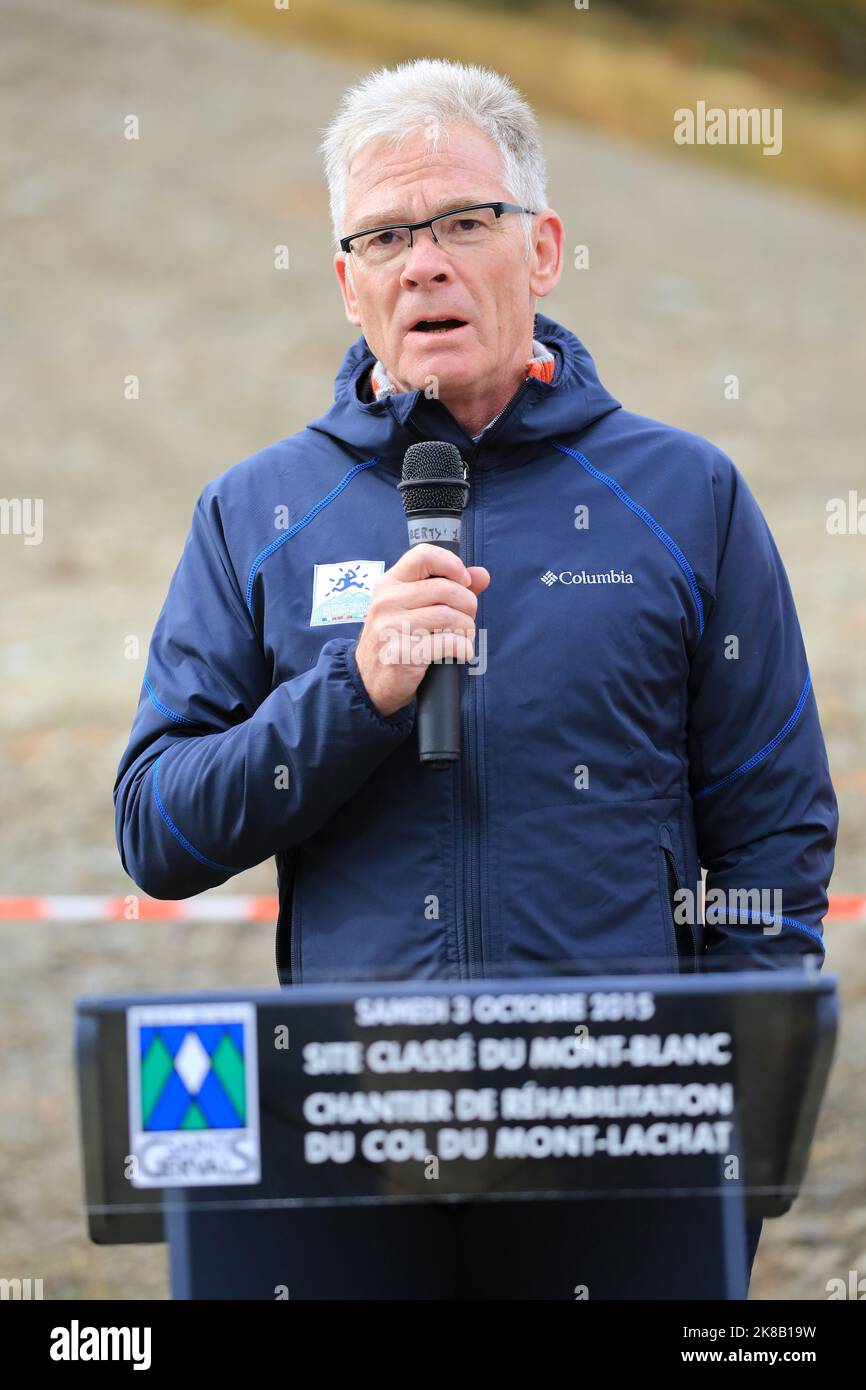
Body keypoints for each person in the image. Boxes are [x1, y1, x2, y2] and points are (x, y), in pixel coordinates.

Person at [113, 59, 838, 1295]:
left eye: (462, 221)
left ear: (542, 250)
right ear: (347, 282)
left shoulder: (684, 497)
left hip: (622, 1141)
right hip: (355, 1141)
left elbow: (771, 842)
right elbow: (158, 827)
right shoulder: (257, 512)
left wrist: (733, 1129)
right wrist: (355, 692)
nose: (423, 262)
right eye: (385, 235)